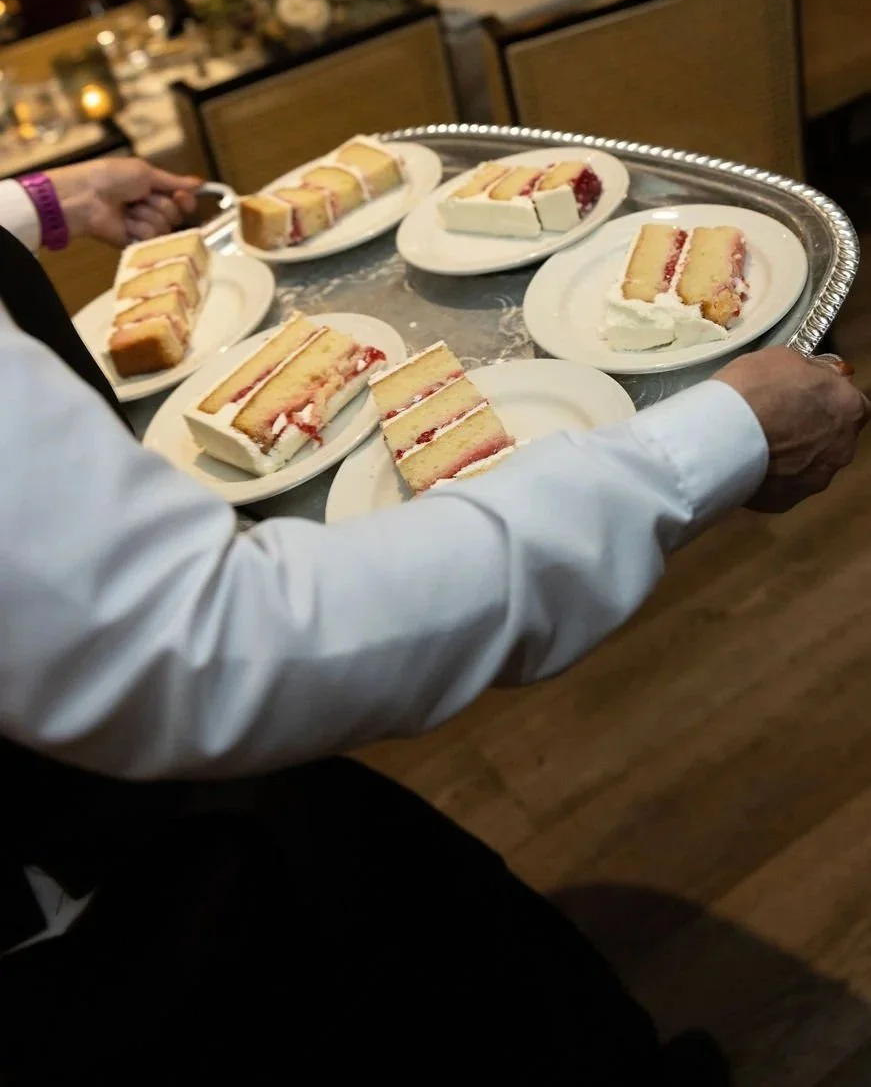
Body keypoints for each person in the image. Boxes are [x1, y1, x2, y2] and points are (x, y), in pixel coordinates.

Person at [0, 161, 867, 1081]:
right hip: (95, 925)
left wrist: (33, 207)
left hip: (147, 787)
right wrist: (712, 446)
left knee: (481, 939)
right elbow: (216, 642)